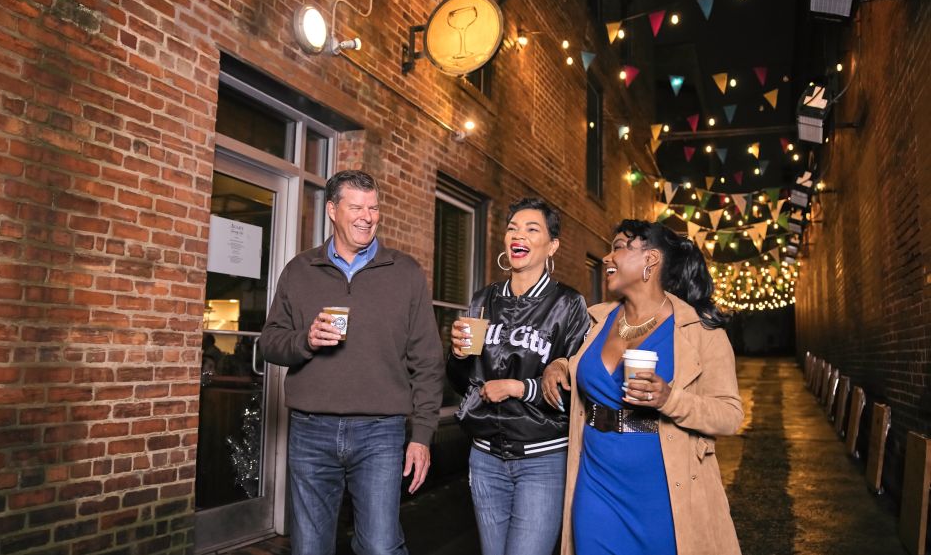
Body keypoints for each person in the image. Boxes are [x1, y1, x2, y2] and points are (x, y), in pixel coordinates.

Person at [259, 170, 444, 555]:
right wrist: (306, 340)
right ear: (332, 210)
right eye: (356, 207)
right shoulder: (300, 270)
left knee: (380, 547)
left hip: (381, 432)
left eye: (373, 208)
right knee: (309, 548)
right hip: (310, 429)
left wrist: (423, 435)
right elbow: (269, 343)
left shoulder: (405, 272)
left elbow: (428, 360)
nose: (367, 216)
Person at [542, 219, 743, 555]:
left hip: (662, 488)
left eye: (619, 247)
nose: (607, 258)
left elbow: (730, 415)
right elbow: (577, 361)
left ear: (651, 259)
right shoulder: (596, 320)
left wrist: (669, 398)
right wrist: (558, 366)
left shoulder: (699, 331)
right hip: (596, 482)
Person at [446, 198, 591, 555]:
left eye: (531, 229)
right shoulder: (484, 299)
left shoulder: (568, 304)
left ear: (552, 246)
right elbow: (463, 382)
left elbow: (577, 388)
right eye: (512, 228)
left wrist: (519, 388)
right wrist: (457, 355)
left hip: (542, 459)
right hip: (485, 457)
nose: (518, 235)